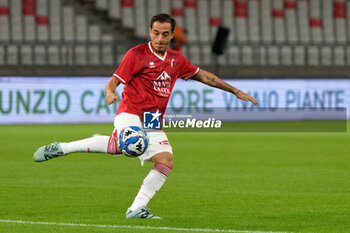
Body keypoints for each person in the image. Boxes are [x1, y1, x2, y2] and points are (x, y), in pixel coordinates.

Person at [33, 13, 258, 219]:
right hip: (130, 113)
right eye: (156, 33)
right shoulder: (136, 55)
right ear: (150, 32)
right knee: (134, 145)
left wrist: (235, 90)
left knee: (165, 160)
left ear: (171, 35)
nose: (160, 38)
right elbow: (113, 81)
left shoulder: (176, 60)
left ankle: (135, 207)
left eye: (165, 34)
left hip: (152, 119)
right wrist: (110, 92)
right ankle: (63, 148)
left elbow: (204, 76)